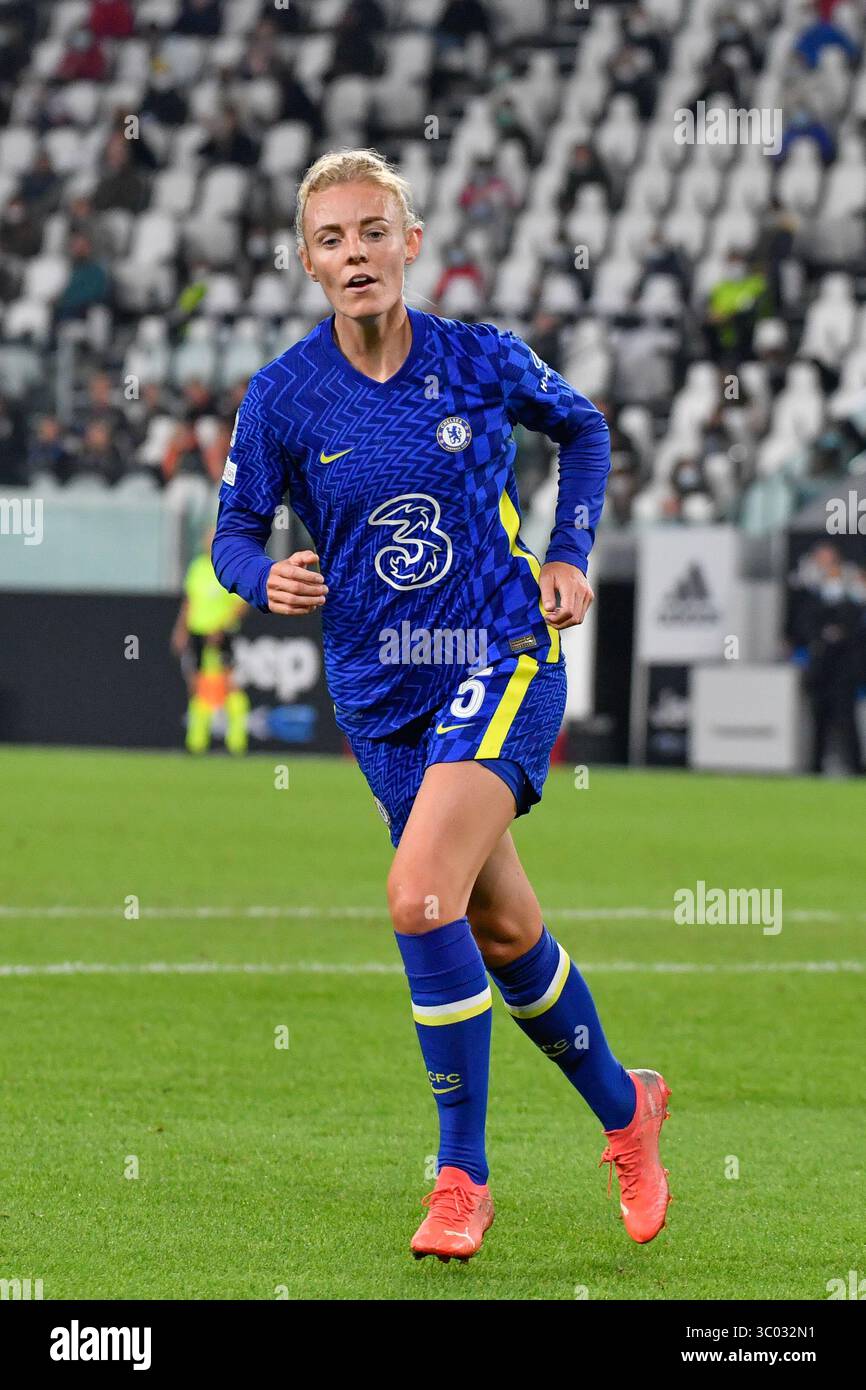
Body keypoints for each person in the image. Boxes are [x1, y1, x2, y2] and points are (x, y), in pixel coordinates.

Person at [211, 148, 671, 1262]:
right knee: (500, 926)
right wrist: (255, 574)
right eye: (332, 239)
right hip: (379, 695)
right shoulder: (282, 395)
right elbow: (231, 531)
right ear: (309, 262)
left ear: (409, 243)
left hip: (498, 651)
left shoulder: (477, 360)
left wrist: (566, 553)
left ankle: (460, 1176)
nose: (355, 253)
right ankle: (627, 1111)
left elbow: (586, 428)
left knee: (419, 896)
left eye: (373, 231)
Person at [171, 529, 250, 755]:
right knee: (196, 685)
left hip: (221, 634)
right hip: (198, 632)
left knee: (228, 684)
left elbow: (242, 603)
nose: (208, 543)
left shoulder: (229, 566)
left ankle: (236, 741)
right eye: (206, 539)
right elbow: (189, 601)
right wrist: (181, 630)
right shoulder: (197, 567)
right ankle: (196, 742)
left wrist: (223, 626)